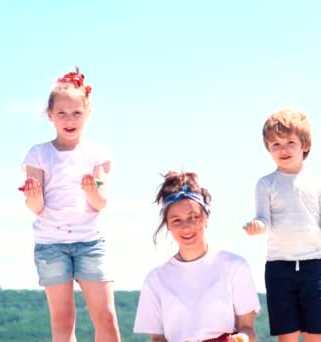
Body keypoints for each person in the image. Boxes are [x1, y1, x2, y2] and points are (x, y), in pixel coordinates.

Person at [243, 109, 321, 342]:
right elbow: (264, 221)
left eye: (290, 142)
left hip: (313, 267)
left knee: (315, 334)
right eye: (275, 144)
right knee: (287, 335)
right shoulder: (265, 184)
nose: (283, 149)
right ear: (268, 148)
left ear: (304, 145)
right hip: (279, 267)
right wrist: (256, 226)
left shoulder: (317, 184)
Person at [20, 66, 121, 342]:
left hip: (89, 241)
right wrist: (33, 196)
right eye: (62, 113)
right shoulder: (38, 154)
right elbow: (36, 208)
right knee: (63, 319)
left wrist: (91, 191)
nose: (69, 119)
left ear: (87, 114)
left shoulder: (98, 154)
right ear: (50, 115)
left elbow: (101, 203)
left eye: (76, 113)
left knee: (107, 318)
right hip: (51, 244)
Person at [134, 171, 260, 342]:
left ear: (206, 218)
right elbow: (158, 338)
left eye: (193, 217)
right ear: (168, 225)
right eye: (176, 220)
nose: (186, 227)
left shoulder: (235, 266)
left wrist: (240, 340)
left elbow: (248, 330)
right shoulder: (155, 279)